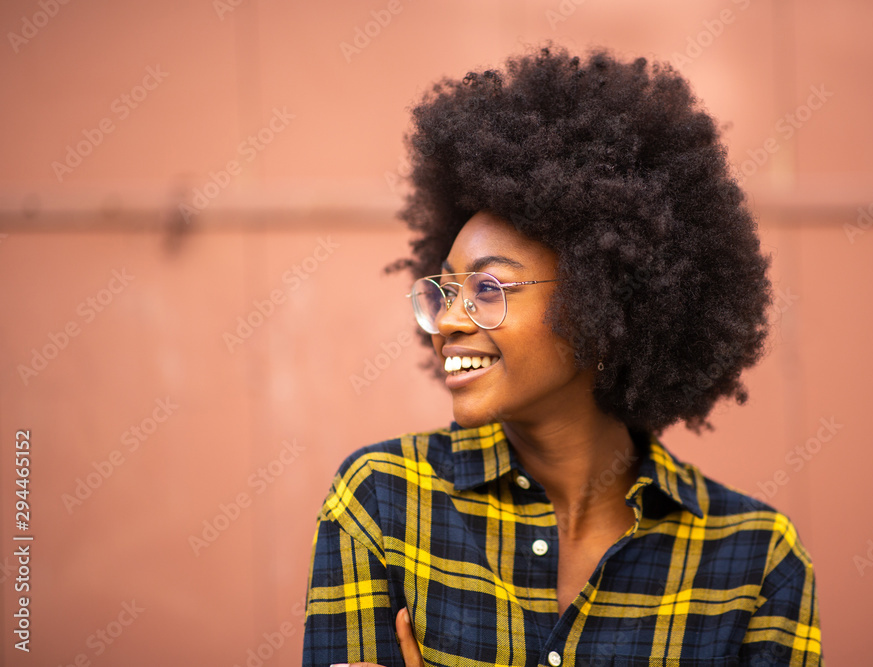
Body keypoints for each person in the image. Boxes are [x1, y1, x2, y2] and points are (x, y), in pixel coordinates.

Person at [302, 44, 823, 666]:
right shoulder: (384, 503)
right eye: (443, 289)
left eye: (488, 289)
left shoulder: (755, 562)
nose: (444, 321)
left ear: (604, 300)